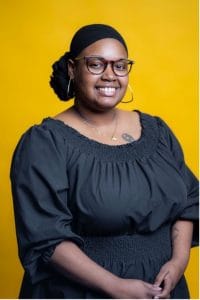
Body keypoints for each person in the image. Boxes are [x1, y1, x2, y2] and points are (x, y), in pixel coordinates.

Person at [10, 24, 199, 299]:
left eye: (120, 65)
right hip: (80, 292)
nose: (110, 75)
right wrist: (117, 287)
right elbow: (46, 238)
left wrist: (178, 263)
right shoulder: (44, 143)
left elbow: (188, 203)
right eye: (96, 64)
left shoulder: (157, 132)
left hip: (165, 290)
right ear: (73, 69)